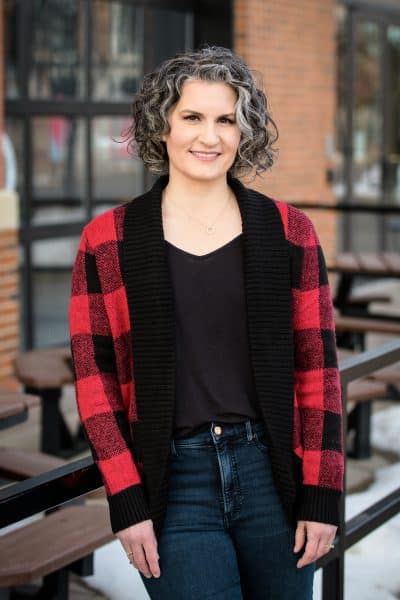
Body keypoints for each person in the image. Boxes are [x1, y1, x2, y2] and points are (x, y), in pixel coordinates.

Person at [69, 45, 344, 599]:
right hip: (175, 486)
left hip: (274, 476)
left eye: (227, 120)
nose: (210, 136)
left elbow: (319, 375)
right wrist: (126, 501)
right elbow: (94, 384)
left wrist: (322, 494)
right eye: (192, 116)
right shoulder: (108, 242)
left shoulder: (290, 233)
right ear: (161, 125)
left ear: (246, 133)